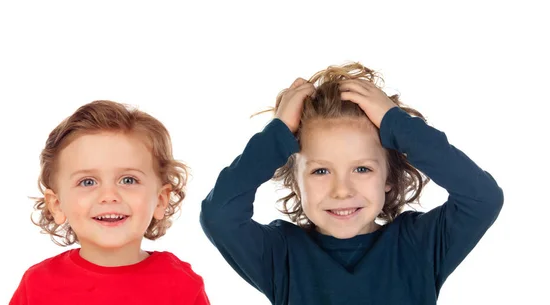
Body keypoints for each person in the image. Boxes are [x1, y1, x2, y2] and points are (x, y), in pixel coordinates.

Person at [200, 62, 503, 304]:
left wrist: (395, 123)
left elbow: (483, 198)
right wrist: (277, 133)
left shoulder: (419, 245)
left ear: (388, 176)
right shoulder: (282, 255)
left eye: (361, 169)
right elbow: (219, 215)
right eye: (321, 171)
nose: (342, 190)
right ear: (295, 181)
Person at [10, 100, 210, 305]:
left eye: (128, 180)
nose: (109, 195)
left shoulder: (180, 284)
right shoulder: (37, 285)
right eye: (87, 182)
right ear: (57, 205)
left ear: (160, 200)